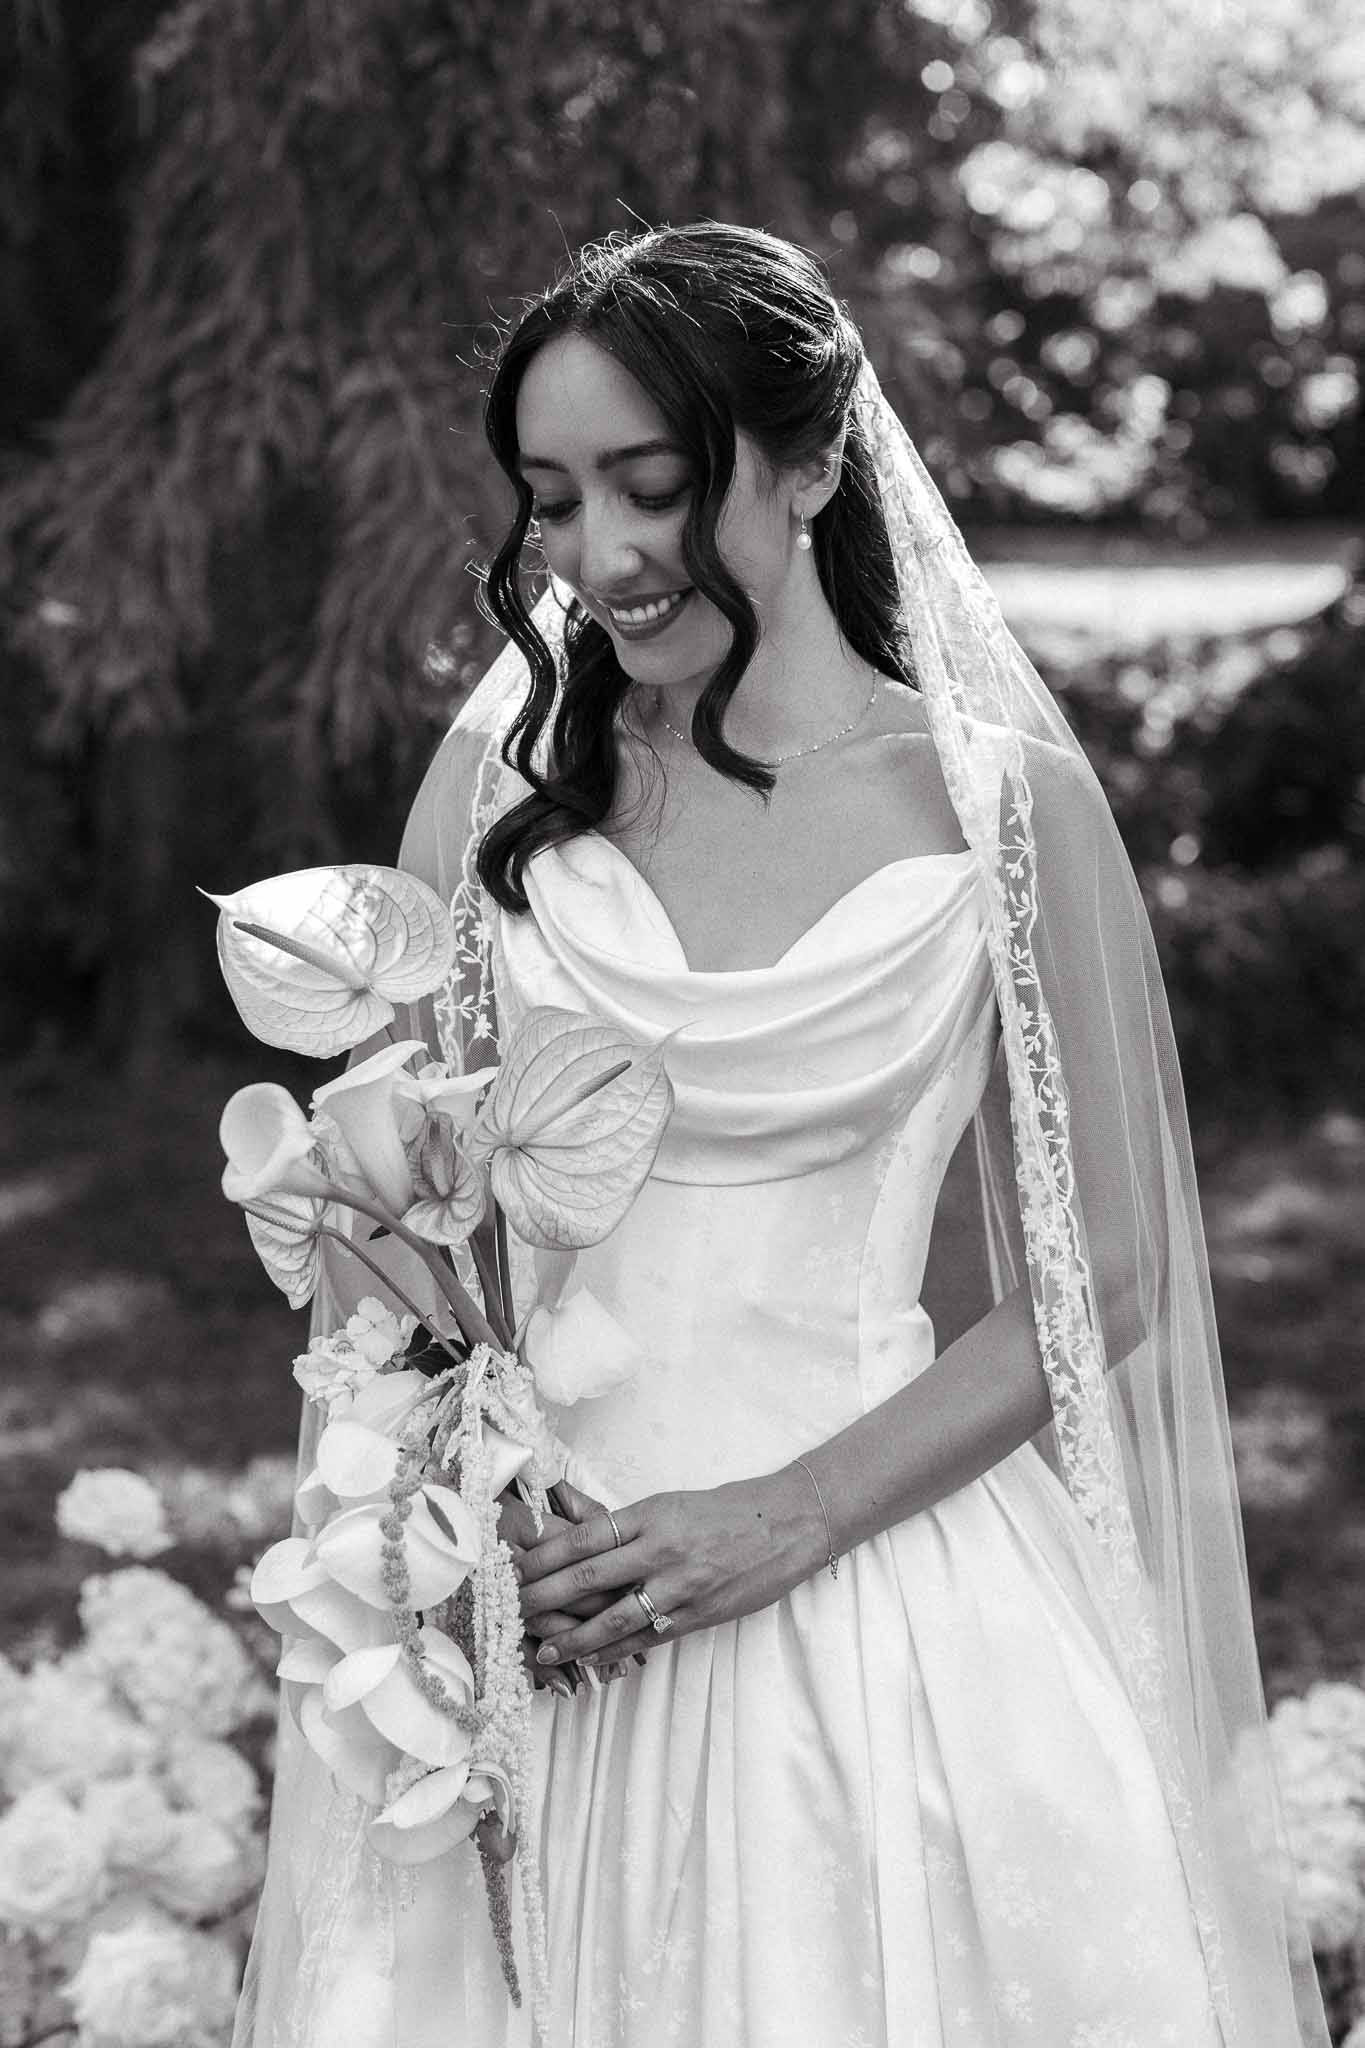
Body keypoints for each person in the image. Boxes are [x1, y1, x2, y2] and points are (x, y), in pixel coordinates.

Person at [234, 222, 1330, 2046]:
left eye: (651, 487)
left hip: (878, 1584)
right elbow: (406, 1212)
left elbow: (1108, 1277)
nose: (599, 555)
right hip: (545, 1599)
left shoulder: (1001, 812)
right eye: (551, 500)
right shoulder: (498, 795)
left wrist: (784, 1517)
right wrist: (447, 1519)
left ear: (815, 459)